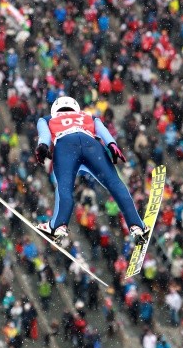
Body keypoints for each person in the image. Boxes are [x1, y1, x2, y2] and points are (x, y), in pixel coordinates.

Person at [34, 96, 149, 240]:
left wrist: (42, 145)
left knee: (64, 187)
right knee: (115, 184)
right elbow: (102, 130)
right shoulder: (88, 115)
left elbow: (44, 134)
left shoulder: (46, 118)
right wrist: (112, 144)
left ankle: (59, 225)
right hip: (91, 145)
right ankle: (136, 225)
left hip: (65, 145)